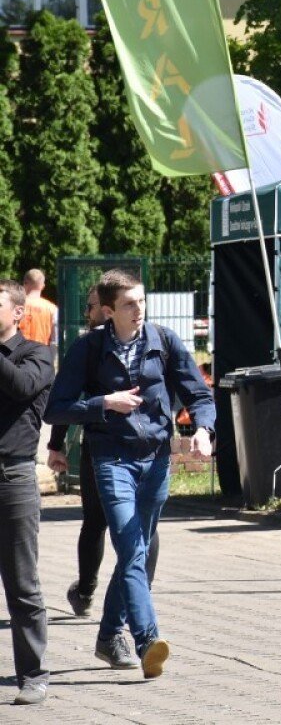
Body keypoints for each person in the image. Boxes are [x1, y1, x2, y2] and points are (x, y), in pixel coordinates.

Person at [44, 269, 214, 681]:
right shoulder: (88, 349)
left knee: (136, 547)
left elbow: (200, 393)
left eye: (141, 301)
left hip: (155, 460)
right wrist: (104, 402)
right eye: (128, 304)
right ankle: (145, 639)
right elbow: (56, 408)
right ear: (108, 311)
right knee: (130, 545)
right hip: (111, 460)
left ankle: (106, 637)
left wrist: (204, 431)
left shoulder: (164, 342)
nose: (139, 310)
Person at [45, 284, 161, 619]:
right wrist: (55, 443)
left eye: (92, 306)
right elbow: (66, 402)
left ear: (105, 309)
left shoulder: (140, 342)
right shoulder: (90, 346)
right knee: (101, 522)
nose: (89, 312)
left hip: (135, 450)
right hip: (105, 448)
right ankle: (89, 588)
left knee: (133, 526)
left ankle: (123, 594)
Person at [0, 278, 54, 705]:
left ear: (18, 311)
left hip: (12, 479)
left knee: (22, 583)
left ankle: (33, 674)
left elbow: (19, 386)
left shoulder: (37, 356)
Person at [18, 269, 57, 363]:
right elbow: (55, 340)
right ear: (42, 286)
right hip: (40, 356)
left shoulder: (15, 305)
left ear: (24, 283)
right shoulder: (52, 308)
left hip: (16, 354)